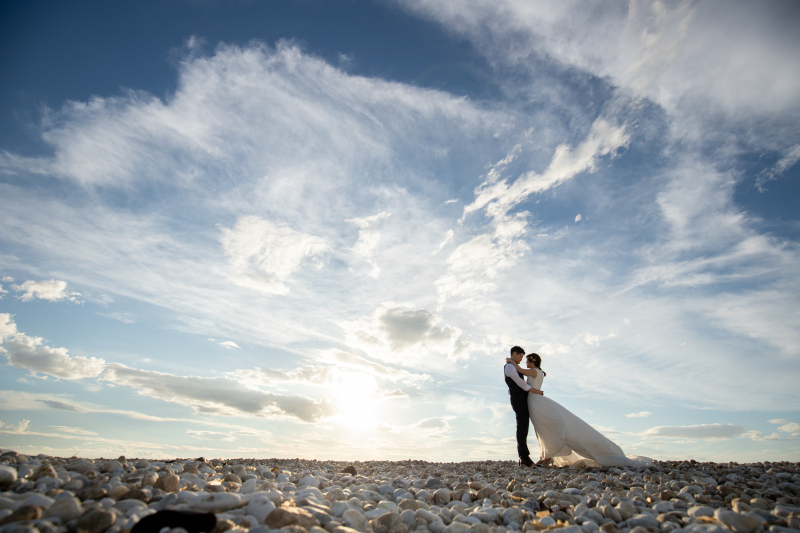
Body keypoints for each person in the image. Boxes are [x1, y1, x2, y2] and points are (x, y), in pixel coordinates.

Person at [507, 351, 650, 468]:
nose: (525, 362)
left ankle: (547, 456)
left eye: (526, 360)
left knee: (544, 429)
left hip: (535, 401)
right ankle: (546, 456)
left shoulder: (533, 371)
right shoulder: (538, 372)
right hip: (536, 400)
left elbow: (519, 370)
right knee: (542, 429)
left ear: (532, 361)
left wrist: (511, 361)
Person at [504, 346, 544, 467]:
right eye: (520, 356)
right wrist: (535, 391)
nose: (521, 359)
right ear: (514, 354)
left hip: (522, 398)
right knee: (522, 426)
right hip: (518, 399)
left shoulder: (513, 366)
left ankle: (524, 457)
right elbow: (520, 383)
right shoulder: (509, 367)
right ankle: (524, 456)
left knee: (524, 426)